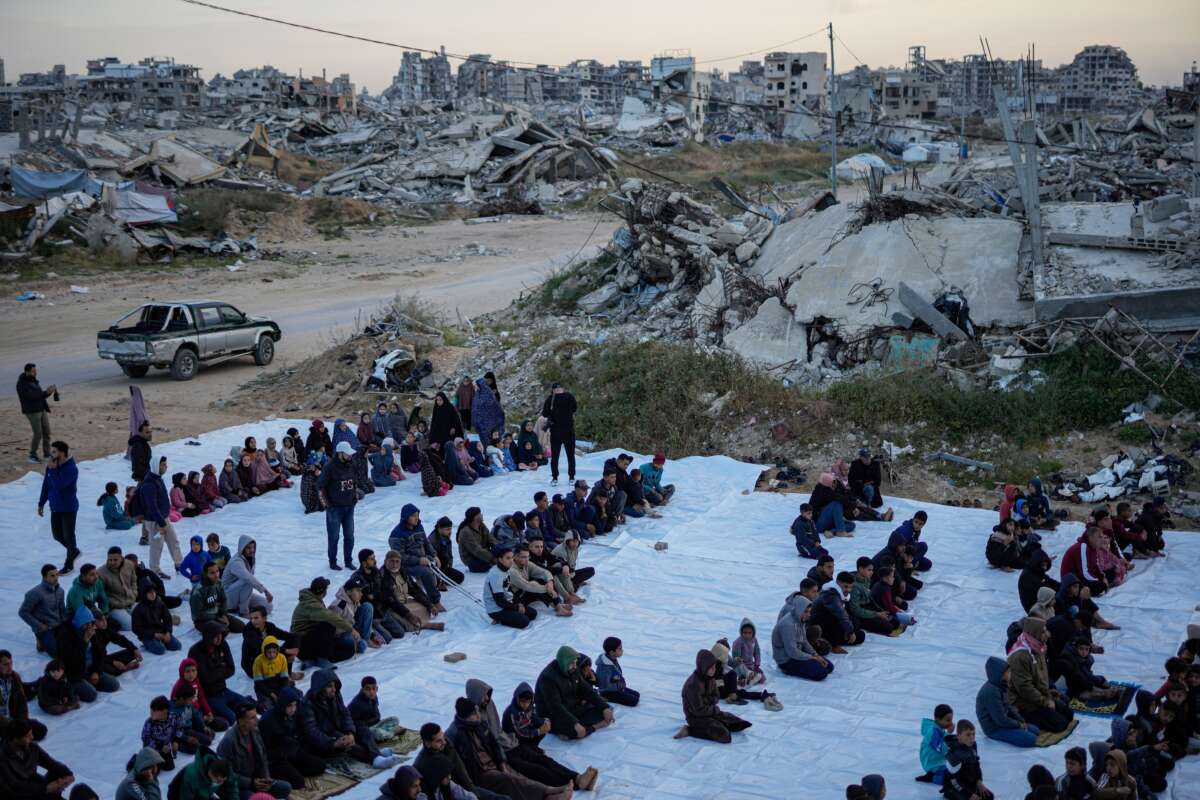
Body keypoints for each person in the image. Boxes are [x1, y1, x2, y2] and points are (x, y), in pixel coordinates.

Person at [446, 697, 568, 800]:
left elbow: (494, 743)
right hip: (480, 773)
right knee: (510, 780)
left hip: (494, 763)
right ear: (465, 717)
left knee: (520, 776)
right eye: (474, 714)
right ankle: (548, 794)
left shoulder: (480, 724)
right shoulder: (455, 734)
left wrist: (502, 761)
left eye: (477, 711)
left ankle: (549, 791)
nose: (478, 715)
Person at [500, 682, 599, 792]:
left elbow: (534, 717)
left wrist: (544, 722)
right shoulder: (512, 712)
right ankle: (574, 785)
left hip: (521, 745)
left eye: (527, 702)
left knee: (546, 761)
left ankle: (577, 777)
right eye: (522, 702)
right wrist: (538, 731)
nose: (525, 705)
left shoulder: (528, 708)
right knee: (538, 770)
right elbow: (520, 732)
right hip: (513, 748)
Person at [298, 668, 396, 769]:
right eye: (330, 686)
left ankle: (376, 754)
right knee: (349, 744)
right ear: (321, 687)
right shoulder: (307, 704)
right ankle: (375, 758)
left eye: (334, 685)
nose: (334, 689)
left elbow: (345, 713)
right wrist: (333, 743)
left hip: (338, 729)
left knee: (363, 729)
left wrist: (350, 732)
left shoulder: (335, 695)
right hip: (325, 737)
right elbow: (312, 732)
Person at [1007, 617, 1075, 734]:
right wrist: (1045, 701)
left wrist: (1049, 692)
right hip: (1023, 703)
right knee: (1060, 724)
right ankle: (1021, 718)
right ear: (1035, 633)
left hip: (1038, 696)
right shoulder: (1020, 656)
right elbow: (1024, 688)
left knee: (1069, 714)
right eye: (1044, 631)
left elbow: (1042, 676)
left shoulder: (1038, 647)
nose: (1048, 634)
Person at [674, 649, 751, 744]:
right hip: (695, 717)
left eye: (714, 667)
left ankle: (721, 723)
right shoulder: (693, 685)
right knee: (724, 735)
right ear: (704, 667)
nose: (714, 670)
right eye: (711, 668)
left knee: (736, 722)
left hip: (709, 710)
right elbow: (699, 710)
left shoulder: (710, 678)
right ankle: (689, 730)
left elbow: (716, 696)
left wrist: (709, 701)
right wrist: (713, 707)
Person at [535, 646, 613, 740]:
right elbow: (555, 706)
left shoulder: (573, 669)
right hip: (553, 714)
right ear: (564, 662)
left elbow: (587, 690)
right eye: (572, 663)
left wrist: (604, 707)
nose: (575, 666)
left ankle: (575, 730)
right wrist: (574, 723)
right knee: (576, 731)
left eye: (575, 662)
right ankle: (588, 728)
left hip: (571, 708)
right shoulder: (548, 678)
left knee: (605, 711)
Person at [217, 703, 292, 799]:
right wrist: (251, 783)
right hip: (239, 787)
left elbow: (263, 757)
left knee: (286, 787)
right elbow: (226, 774)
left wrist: (266, 777)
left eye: (256, 716)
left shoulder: (254, 731)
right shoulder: (229, 741)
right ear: (241, 720)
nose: (257, 720)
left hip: (257, 780)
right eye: (252, 718)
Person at [258, 687, 325, 792]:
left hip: (292, 751)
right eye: (289, 705)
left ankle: (293, 771)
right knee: (298, 782)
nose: (293, 709)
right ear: (282, 704)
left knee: (319, 766)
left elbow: (298, 735)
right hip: (275, 759)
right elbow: (264, 749)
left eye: (295, 705)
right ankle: (291, 773)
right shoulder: (267, 721)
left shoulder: (293, 715)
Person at [189, 621, 250, 726]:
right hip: (209, 695)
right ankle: (209, 714)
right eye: (216, 635)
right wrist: (221, 668)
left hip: (223, 690)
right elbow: (204, 678)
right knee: (232, 718)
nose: (220, 637)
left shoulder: (223, 645)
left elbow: (231, 669)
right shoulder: (195, 651)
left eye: (221, 634)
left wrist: (215, 672)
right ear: (209, 636)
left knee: (247, 708)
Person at [289, 578, 356, 669]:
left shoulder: (313, 599)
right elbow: (331, 617)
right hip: (301, 645)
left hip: (311, 642)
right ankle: (322, 659)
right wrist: (351, 629)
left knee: (349, 651)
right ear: (323, 592)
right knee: (329, 625)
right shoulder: (310, 604)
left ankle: (312, 660)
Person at [388, 504, 444, 612]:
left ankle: (428, 588)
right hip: (405, 564)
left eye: (417, 515)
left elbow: (426, 543)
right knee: (426, 572)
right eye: (413, 516)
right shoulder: (397, 534)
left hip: (421, 558)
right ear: (406, 517)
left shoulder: (419, 527)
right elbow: (400, 556)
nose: (416, 518)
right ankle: (435, 601)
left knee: (435, 568)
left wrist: (434, 555)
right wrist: (418, 560)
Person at [0, 719, 74, 799]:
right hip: (15, 793)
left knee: (58, 773)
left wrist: (68, 774)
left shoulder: (31, 747)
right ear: (15, 739)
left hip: (33, 783)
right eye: (27, 736)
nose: (32, 737)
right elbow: (14, 787)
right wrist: (45, 789)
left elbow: (50, 763)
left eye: (31, 734)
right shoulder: (3, 756)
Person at [975, 656, 1039, 747]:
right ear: (999, 674)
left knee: (1035, 730)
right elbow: (1000, 720)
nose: (1010, 674)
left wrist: (1020, 720)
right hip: (994, 728)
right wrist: (1018, 725)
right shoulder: (991, 693)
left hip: (1003, 721)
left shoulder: (1000, 685)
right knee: (1032, 740)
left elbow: (1008, 706)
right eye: (1007, 672)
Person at [38, 440, 80, 573]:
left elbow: (59, 485)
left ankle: (69, 565)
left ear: (62, 453)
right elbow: (47, 485)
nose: (51, 454)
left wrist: (53, 470)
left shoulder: (71, 468)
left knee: (69, 535)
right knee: (57, 535)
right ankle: (73, 551)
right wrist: (41, 503)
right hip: (55, 506)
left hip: (68, 507)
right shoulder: (52, 466)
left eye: (54, 451)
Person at [139, 456, 184, 579]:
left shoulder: (157, 479)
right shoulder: (149, 484)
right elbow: (152, 507)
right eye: (163, 464)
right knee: (156, 546)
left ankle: (179, 564)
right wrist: (162, 524)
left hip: (163, 518)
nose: (166, 466)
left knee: (173, 540)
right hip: (155, 521)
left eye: (165, 464)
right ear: (155, 466)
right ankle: (154, 570)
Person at [771, 594, 834, 680]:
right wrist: (812, 658)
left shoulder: (799, 619)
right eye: (806, 612)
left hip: (797, 653)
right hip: (786, 660)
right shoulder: (788, 625)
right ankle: (787, 670)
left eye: (809, 611)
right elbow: (792, 652)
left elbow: (804, 641)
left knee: (829, 667)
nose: (809, 614)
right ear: (799, 610)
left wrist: (816, 655)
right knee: (821, 673)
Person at [319, 441, 359, 571]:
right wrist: (327, 505)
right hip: (334, 509)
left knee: (350, 536)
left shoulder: (351, 464)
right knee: (334, 537)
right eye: (347, 454)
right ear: (340, 453)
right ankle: (332, 562)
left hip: (349, 507)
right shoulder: (329, 467)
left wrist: (355, 496)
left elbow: (354, 481)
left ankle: (348, 561)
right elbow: (320, 487)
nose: (350, 456)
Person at [483, 547, 537, 629]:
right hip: (496, 609)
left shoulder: (506, 569)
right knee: (525, 621)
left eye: (512, 557)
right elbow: (499, 601)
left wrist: (518, 603)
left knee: (533, 614)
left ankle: (508, 616)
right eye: (508, 558)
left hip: (507, 604)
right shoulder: (495, 575)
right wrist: (516, 608)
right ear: (500, 559)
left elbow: (508, 590)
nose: (511, 560)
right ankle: (499, 619)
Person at [19, 564, 67, 655]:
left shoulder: (60, 591)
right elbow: (23, 612)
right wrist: (39, 625)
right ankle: (40, 639)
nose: (56, 578)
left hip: (58, 625)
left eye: (57, 575)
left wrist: (67, 625)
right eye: (52, 576)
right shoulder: (35, 593)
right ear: (44, 577)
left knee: (75, 645)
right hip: (45, 629)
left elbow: (62, 610)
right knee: (59, 653)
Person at [241, 606, 299, 680]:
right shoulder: (248, 631)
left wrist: (295, 651)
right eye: (251, 618)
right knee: (273, 650)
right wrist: (286, 651)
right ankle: (282, 677)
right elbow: (262, 646)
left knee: (292, 640)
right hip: (254, 664)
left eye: (256, 618)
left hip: (269, 656)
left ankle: (288, 673)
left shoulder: (269, 627)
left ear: (264, 618)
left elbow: (291, 636)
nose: (253, 621)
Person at [942, 720, 994, 800]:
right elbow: (952, 780)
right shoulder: (953, 753)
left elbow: (976, 765)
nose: (972, 737)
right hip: (954, 788)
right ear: (959, 736)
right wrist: (968, 795)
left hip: (968, 783)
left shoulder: (972, 746)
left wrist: (978, 781)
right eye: (968, 735)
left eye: (973, 734)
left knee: (989, 796)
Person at [223, 536, 274, 617]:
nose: (252, 550)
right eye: (248, 548)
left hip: (239, 594)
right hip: (228, 599)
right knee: (247, 580)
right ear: (242, 548)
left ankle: (243, 606)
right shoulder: (236, 562)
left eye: (253, 547)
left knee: (268, 606)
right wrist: (265, 591)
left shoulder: (250, 559)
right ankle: (243, 611)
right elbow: (248, 578)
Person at [0, 652, 46, 742]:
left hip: (14, 720)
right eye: (6, 664)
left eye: (11, 663)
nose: (10, 667)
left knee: (40, 730)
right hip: (4, 722)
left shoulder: (14, 677)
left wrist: (23, 721)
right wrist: (11, 724)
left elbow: (22, 701)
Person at [848, 557, 899, 636]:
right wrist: (876, 614)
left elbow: (869, 597)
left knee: (895, 622)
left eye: (872, 570)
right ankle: (864, 624)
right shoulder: (854, 586)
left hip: (868, 607)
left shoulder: (867, 579)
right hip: (859, 613)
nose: (872, 572)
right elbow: (855, 609)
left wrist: (879, 610)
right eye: (869, 570)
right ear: (861, 569)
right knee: (888, 627)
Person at [17, 363, 56, 465]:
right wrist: (46, 393)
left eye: (35, 371)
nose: (36, 372)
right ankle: (32, 455)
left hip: (41, 409)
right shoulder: (22, 384)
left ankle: (47, 454)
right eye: (33, 371)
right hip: (32, 412)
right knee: (38, 434)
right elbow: (32, 397)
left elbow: (39, 396)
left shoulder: (33, 380)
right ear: (27, 372)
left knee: (46, 432)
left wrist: (48, 392)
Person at [191, 562, 245, 634]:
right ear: (205, 574)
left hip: (217, 614)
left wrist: (223, 614)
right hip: (202, 620)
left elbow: (223, 599)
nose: (216, 575)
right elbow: (198, 614)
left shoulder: (218, 582)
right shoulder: (198, 591)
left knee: (241, 627)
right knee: (223, 631)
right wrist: (217, 618)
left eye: (217, 571)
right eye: (212, 573)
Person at [133, 577, 181, 655]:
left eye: (153, 591)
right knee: (160, 650)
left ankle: (161, 641)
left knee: (177, 646)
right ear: (144, 594)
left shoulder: (159, 603)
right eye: (149, 592)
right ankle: (147, 644)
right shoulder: (138, 609)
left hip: (161, 631)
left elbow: (167, 619)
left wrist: (168, 632)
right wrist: (153, 635)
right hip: (148, 636)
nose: (153, 594)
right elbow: (136, 629)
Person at [99, 546, 139, 631]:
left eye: (115, 560)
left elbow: (134, 581)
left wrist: (133, 594)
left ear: (121, 558)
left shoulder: (129, 564)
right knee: (132, 627)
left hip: (130, 602)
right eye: (110, 560)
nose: (112, 562)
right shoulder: (101, 573)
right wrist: (117, 603)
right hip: (115, 608)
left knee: (149, 615)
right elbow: (101, 595)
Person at [141, 694, 182, 772]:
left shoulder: (173, 717)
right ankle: (142, 760)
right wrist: (160, 747)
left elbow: (179, 728)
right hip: (153, 748)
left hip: (166, 747)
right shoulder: (149, 722)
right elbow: (145, 739)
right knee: (154, 771)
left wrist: (176, 741)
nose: (151, 713)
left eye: (154, 711)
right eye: (151, 710)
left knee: (170, 767)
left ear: (164, 711)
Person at [595, 637, 639, 707]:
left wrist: (620, 683)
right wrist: (618, 686)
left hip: (617, 687)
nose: (622, 650)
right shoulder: (604, 667)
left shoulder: (612, 658)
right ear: (612, 652)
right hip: (608, 692)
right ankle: (604, 698)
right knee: (634, 701)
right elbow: (604, 685)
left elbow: (616, 674)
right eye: (620, 649)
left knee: (637, 695)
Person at [916, 704, 953, 784]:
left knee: (955, 775)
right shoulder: (933, 733)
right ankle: (931, 777)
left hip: (937, 761)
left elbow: (943, 739)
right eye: (948, 720)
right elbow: (941, 749)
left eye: (951, 720)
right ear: (937, 719)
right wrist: (949, 734)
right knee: (950, 781)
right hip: (932, 763)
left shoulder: (939, 728)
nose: (950, 723)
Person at [458, 508, 497, 573]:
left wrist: (501, 550)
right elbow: (476, 550)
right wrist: (493, 559)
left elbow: (491, 539)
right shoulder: (465, 532)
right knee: (490, 565)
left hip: (482, 553)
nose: (481, 515)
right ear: (475, 517)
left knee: (502, 556)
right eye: (479, 514)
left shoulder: (481, 525)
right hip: (471, 560)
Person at [428, 517, 465, 585]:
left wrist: (449, 566)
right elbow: (431, 559)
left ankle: (442, 580)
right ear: (439, 529)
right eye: (447, 529)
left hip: (444, 568)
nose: (450, 531)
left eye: (450, 529)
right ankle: (438, 580)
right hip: (435, 570)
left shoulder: (446, 537)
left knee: (460, 577)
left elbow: (449, 555)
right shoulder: (432, 540)